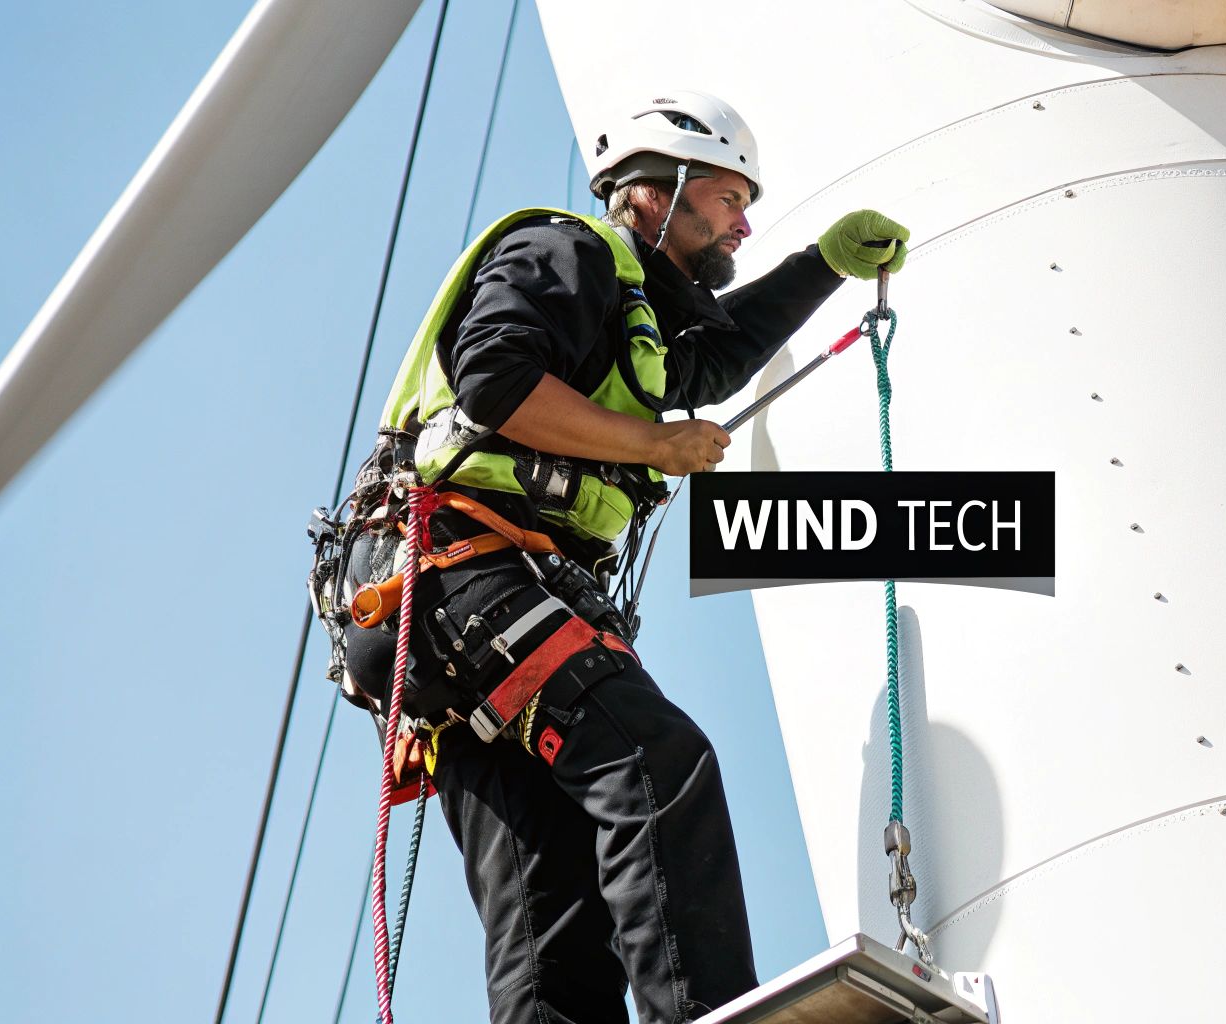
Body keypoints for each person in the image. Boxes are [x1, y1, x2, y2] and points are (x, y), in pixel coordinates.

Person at [333, 91, 909, 1024]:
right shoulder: (570, 252)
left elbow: (709, 361)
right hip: (457, 565)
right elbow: (495, 379)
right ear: (657, 189)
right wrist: (655, 448)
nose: (744, 222)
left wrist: (822, 267)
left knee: (546, 907)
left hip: (438, 619)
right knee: (655, 760)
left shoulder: (628, 319)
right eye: (728, 197)